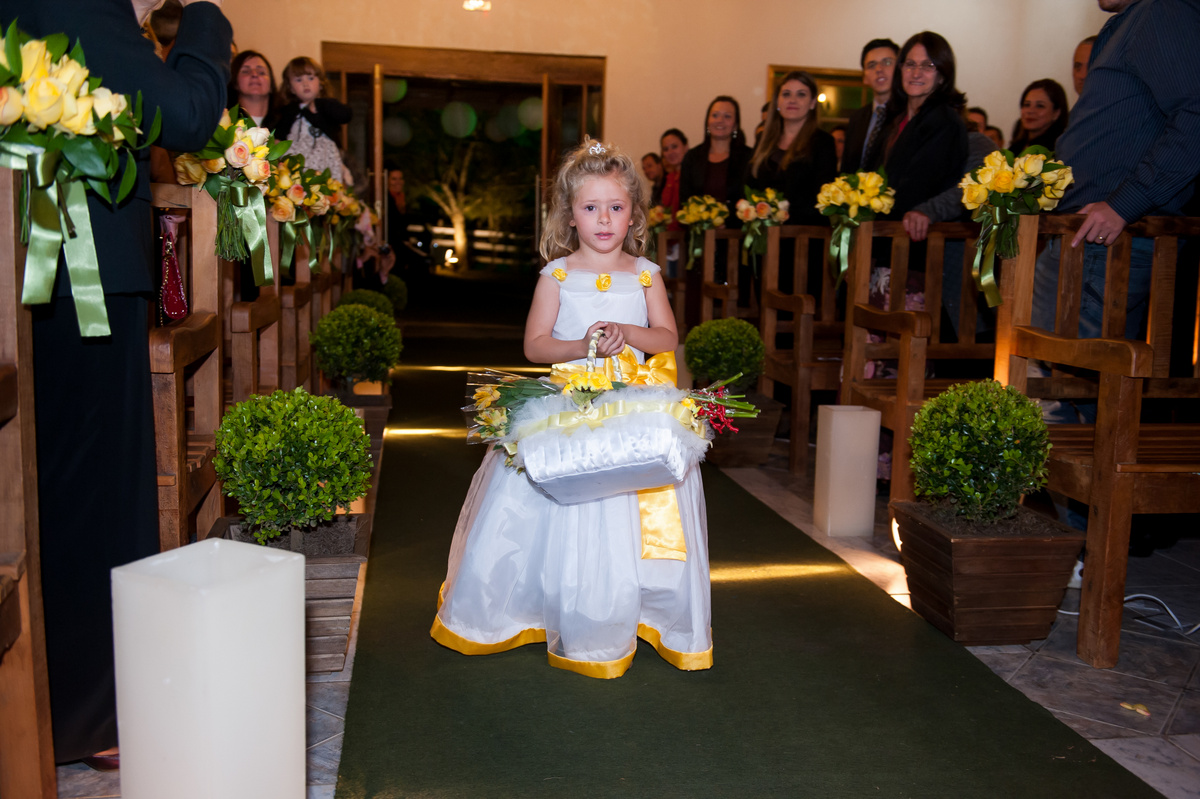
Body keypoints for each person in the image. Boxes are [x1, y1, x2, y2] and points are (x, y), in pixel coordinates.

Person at [0, 0, 232, 770]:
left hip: (52, 275)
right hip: (73, 273)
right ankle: (86, 710)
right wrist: (203, 17)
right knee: (95, 490)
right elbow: (187, 114)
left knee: (59, 486)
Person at [431, 139, 712, 678]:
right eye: (590, 208)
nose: (604, 219)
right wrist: (582, 345)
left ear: (634, 214)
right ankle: (549, 605)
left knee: (633, 504)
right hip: (570, 402)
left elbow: (667, 337)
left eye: (615, 206)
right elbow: (535, 346)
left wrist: (629, 333)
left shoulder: (647, 273)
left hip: (632, 405)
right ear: (569, 215)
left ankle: (636, 606)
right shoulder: (556, 276)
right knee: (560, 507)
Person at [1032, 0, 1200, 363]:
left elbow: (1195, 114)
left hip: (1106, 238)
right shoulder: (1134, 19)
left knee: (1069, 382)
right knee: (1051, 375)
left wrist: (1125, 203)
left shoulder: (1161, 10)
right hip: (1088, 233)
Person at [872, 31, 969, 218]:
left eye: (927, 66)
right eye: (910, 64)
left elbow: (918, 187)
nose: (916, 73)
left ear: (942, 75)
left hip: (917, 231)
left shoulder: (944, 121)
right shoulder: (895, 119)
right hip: (885, 229)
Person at [678, 96, 751, 325]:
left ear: (736, 124)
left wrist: (725, 220)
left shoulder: (748, 157)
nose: (721, 120)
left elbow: (749, 200)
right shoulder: (693, 157)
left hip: (734, 243)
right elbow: (684, 201)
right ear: (707, 120)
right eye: (715, 115)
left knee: (731, 301)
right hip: (700, 244)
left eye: (728, 116)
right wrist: (701, 220)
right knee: (699, 301)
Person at [746, 70, 838, 227]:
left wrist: (780, 214)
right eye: (786, 94)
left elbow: (824, 195)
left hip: (803, 236)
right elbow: (749, 185)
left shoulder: (823, 142)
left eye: (801, 94)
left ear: (812, 103)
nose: (792, 100)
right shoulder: (763, 140)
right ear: (778, 102)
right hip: (763, 236)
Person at [275, 56, 352, 182]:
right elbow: (279, 136)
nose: (306, 84)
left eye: (311, 78)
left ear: (321, 83)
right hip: (298, 166)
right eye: (299, 80)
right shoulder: (289, 111)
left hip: (326, 161)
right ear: (290, 87)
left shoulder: (327, 106)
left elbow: (346, 115)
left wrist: (322, 105)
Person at [842, 37, 900, 174]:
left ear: (900, 69)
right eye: (871, 65)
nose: (879, 69)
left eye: (887, 62)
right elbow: (847, 169)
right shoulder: (856, 118)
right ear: (864, 77)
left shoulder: (909, 114)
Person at [1008, 79, 1070, 153]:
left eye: (1040, 106)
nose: (1030, 111)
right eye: (1027, 105)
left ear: (1056, 113)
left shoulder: (1059, 151)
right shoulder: (1016, 147)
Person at [229, 49, 280, 131]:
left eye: (261, 72)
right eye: (245, 71)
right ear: (235, 83)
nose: (254, 74)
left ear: (271, 85)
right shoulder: (224, 122)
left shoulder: (289, 123)